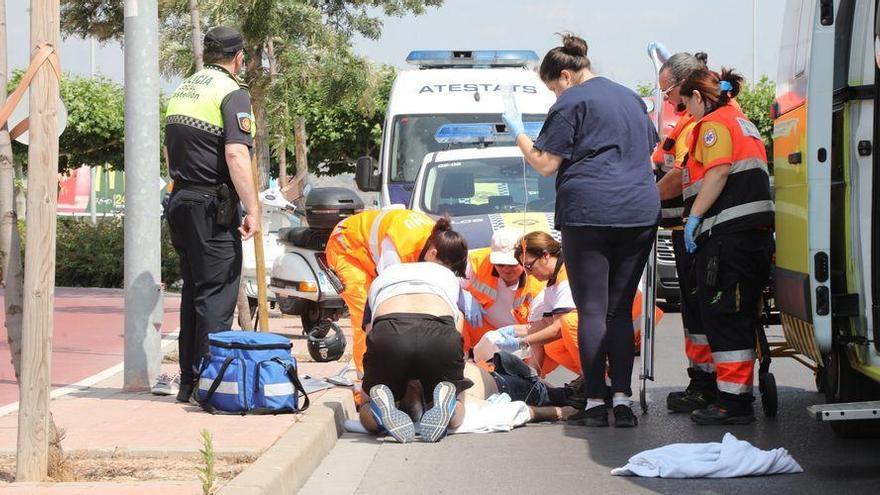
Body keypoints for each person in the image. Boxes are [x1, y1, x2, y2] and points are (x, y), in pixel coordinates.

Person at [503, 34, 660, 426]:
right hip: (638, 211)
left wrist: (519, 133)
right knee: (620, 310)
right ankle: (621, 401)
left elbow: (544, 164)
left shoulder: (570, 102)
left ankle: (594, 401)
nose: (554, 96)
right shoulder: (631, 99)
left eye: (553, 87)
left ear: (566, 76)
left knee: (591, 311)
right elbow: (649, 150)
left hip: (589, 212)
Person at [163, 26, 259, 403]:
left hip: (181, 201)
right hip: (210, 206)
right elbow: (236, 155)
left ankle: (188, 381)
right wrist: (252, 207)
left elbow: (169, 153)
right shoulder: (232, 92)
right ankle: (211, 386)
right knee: (218, 294)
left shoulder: (185, 88)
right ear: (238, 58)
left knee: (195, 292)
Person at [679, 68, 774, 425]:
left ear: (699, 97)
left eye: (687, 103)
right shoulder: (742, 121)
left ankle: (733, 404)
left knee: (726, 317)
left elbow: (718, 172)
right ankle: (734, 398)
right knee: (739, 313)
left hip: (729, 238)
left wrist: (694, 218)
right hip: (752, 236)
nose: (688, 113)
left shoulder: (715, 124)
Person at [358, 218, 470, 443]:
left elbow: (371, 332)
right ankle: (448, 406)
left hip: (389, 332)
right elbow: (457, 332)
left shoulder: (385, 275)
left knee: (367, 405)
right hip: (439, 335)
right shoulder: (449, 278)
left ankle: (379, 412)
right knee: (457, 401)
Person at [651, 52, 719, 413]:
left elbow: (679, 176)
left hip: (691, 229)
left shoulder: (696, 124)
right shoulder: (686, 123)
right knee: (694, 313)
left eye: (668, 91)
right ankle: (703, 380)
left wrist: (642, 197)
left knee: (697, 312)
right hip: (684, 227)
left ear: (686, 84)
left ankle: (705, 384)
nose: (668, 99)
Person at [326, 208, 471, 374]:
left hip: (371, 250)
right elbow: (389, 289)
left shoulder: (444, 241)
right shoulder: (399, 248)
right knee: (365, 314)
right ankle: (365, 379)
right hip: (346, 246)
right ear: (432, 253)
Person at [461, 228, 546, 352]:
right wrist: (462, 296)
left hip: (522, 336)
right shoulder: (475, 263)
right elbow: (445, 283)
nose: (506, 269)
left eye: (512, 264)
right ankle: (462, 360)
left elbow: (541, 328)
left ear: (524, 258)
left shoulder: (539, 282)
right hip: (483, 330)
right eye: (500, 264)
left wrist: (532, 369)